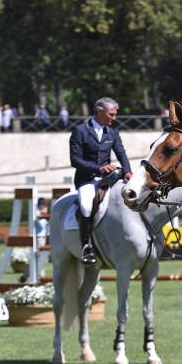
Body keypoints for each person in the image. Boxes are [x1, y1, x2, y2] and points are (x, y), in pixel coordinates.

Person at [69, 96, 132, 264]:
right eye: (111, 114)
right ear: (99, 112)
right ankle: (87, 245)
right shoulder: (80, 131)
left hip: (108, 179)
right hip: (86, 179)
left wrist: (128, 172)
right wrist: (98, 168)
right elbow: (75, 160)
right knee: (86, 205)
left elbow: (121, 153)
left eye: (115, 114)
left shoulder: (112, 132)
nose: (114, 118)